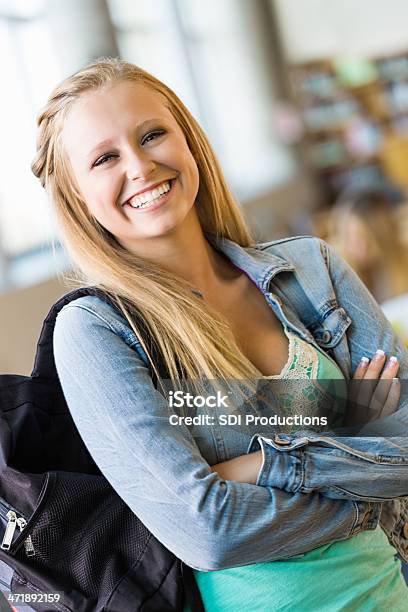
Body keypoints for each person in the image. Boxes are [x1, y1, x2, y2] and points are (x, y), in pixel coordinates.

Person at [31, 58, 408, 611]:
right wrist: (348, 422)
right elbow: (210, 532)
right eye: (105, 158)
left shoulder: (311, 269)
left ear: (189, 142)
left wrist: (259, 465)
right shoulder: (94, 331)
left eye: (153, 134)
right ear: (77, 197)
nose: (139, 166)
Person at [326, 187, 408, 303]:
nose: (358, 248)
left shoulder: (402, 260)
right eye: (350, 238)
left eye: (365, 239)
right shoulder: (337, 269)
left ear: (383, 237)